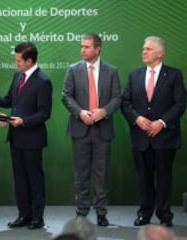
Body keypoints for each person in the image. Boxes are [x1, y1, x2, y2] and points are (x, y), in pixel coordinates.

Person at [0, 42, 53, 230]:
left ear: (29, 60)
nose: (15, 63)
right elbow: (8, 101)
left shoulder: (43, 81)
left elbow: (44, 113)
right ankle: (23, 215)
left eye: (18, 60)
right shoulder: (17, 76)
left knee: (34, 179)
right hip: (16, 137)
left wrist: (23, 121)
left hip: (32, 138)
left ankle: (37, 218)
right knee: (20, 179)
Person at [121, 36, 187, 227]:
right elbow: (126, 102)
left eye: (148, 49)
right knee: (144, 179)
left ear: (160, 53)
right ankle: (144, 213)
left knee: (164, 178)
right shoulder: (134, 76)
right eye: (143, 48)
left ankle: (165, 215)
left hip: (165, 137)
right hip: (141, 137)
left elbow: (180, 103)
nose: (144, 52)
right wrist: (136, 118)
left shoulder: (174, 75)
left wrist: (162, 122)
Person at [61, 33, 121, 227]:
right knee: (81, 173)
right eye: (81, 46)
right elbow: (66, 96)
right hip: (80, 129)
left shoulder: (111, 71)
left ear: (97, 49)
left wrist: (104, 111)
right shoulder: (73, 69)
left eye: (86, 47)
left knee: (101, 174)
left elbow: (117, 98)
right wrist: (80, 113)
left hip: (102, 129)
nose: (82, 50)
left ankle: (101, 213)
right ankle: (82, 211)